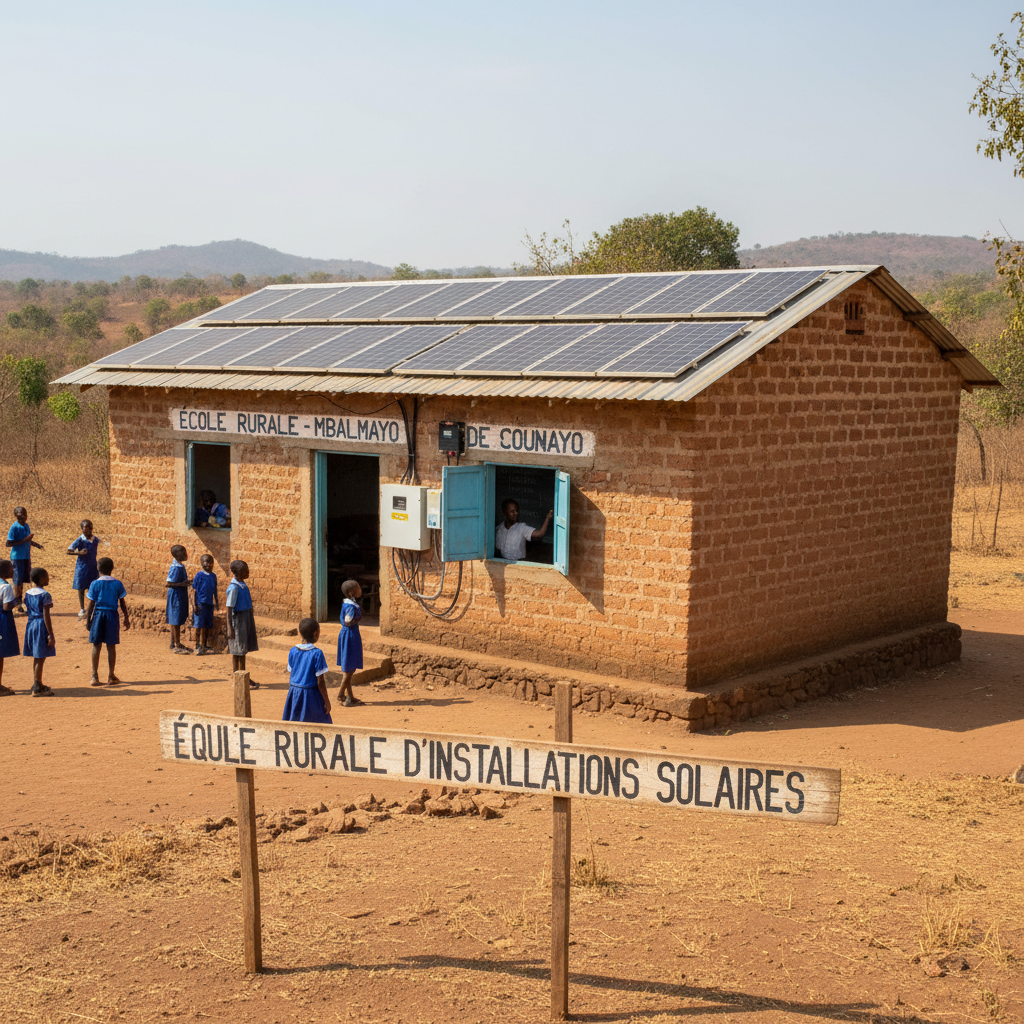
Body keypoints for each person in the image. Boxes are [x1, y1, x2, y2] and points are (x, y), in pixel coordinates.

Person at [85, 556, 131, 687]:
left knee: (96, 645)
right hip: (112, 615)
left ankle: (94, 675)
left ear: (98, 569)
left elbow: (91, 604)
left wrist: (88, 620)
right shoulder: (117, 584)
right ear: (112, 569)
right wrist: (126, 618)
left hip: (98, 614)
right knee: (111, 646)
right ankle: (111, 675)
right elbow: (122, 602)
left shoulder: (94, 584)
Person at [281, 617, 332, 724]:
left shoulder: (293, 651)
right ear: (316, 634)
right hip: (310, 695)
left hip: (294, 692)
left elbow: (292, 671)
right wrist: (326, 701)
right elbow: (320, 681)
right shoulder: (317, 653)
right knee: (320, 724)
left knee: (295, 723)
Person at [22, 567, 55, 697]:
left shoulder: (28, 593)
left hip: (31, 624)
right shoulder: (45, 595)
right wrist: (50, 634)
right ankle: (37, 686)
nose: (48, 578)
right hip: (41, 625)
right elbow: (46, 615)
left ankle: (37, 682)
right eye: (46, 576)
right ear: (41, 579)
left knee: (37, 655)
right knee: (41, 656)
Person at [226, 559, 259, 688]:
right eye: (246, 571)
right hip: (238, 620)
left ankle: (244, 677)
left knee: (242, 650)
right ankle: (237, 678)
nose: (248, 572)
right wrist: (230, 628)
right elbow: (229, 609)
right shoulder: (234, 588)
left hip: (246, 618)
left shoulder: (243, 585)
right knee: (237, 650)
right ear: (238, 573)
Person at [6, 506, 43, 614]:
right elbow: (8, 543)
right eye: (19, 515)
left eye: (23, 514)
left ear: (26, 515)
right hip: (17, 558)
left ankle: (20, 602)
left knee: (23, 581)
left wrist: (36, 544)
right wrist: (25, 540)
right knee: (17, 582)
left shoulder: (26, 525)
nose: (21, 517)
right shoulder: (14, 527)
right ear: (16, 516)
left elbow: (27, 539)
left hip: (26, 557)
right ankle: (17, 604)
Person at [336, 579, 364, 707]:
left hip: (349, 633)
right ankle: (341, 693)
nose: (360, 589)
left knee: (349, 667)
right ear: (352, 593)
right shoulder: (350, 606)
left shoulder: (350, 603)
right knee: (350, 669)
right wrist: (357, 617)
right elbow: (348, 621)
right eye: (358, 587)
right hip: (350, 635)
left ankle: (350, 696)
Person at [67, 519, 100, 617]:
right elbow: (69, 550)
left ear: (91, 528)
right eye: (84, 528)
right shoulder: (80, 540)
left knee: (92, 587)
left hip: (93, 566)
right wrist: (79, 553)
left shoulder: (95, 540)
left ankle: (92, 608)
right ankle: (82, 609)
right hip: (81, 567)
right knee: (81, 588)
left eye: (88, 528)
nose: (86, 530)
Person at [191, 553, 219, 655]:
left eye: (210, 562)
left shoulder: (213, 576)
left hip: (209, 604)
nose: (208, 564)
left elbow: (214, 590)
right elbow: (193, 590)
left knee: (207, 625)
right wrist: (194, 605)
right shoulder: (199, 575)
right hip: (200, 604)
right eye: (205, 562)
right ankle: (197, 645)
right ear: (202, 563)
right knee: (199, 625)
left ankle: (204, 644)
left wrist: (217, 603)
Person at [166, 544, 191, 654]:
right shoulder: (176, 567)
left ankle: (174, 642)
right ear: (177, 555)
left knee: (177, 618)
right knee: (175, 620)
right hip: (176, 595)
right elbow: (169, 583)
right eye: (183, 553)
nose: (186, 554)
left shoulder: (180, 566)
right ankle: (176, 645)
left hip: (180, 594)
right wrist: (183, 584)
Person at [0, 560, 18, 695]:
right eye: (11, 569)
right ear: (5, 572)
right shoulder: (6, 587)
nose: (13, 571)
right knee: (0, 654)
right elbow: (6, 607)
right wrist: (15, 601)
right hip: (2, 620)